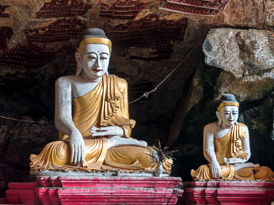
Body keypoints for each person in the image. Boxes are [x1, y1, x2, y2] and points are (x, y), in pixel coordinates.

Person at [30, 29, 170, 173]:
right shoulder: (66, 82)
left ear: (109, 58)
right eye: (91, 57)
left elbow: (125, 124)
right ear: (79, 58)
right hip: (80, 144)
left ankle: (111, 143)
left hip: (113, 148)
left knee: (155, 158)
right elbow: (61, 118)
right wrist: (74, 133)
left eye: (103, 58)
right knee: (55, 152)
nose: (98, 64)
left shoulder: (119, 84)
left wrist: (118, 130)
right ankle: (110, 144)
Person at [190, 94, 274, 181]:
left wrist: (236, 161)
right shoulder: (210, 128)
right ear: (218, 114)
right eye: (227, 113)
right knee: (203, 171)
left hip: (238, 166)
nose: (231, 117)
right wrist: (213, 162)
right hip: (219, 166)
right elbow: (208, 150)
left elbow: (246, 153)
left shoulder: (243, 128)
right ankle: (240, 167)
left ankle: (240, 167)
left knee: (265, 172)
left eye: (234, 113)